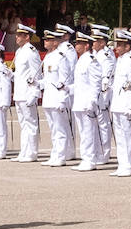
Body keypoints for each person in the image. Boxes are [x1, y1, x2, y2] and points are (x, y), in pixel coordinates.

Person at [41, 28, 75, 166]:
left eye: (48, 40)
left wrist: (62, 99)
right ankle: (55, 154)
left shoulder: (61, 57)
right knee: (53, 128)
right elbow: (47, 80)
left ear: (55, 42)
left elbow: (64, 80)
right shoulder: (48, 57)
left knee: (60, 128)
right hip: (48, 97)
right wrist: (36, 83)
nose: (45, 42)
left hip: (57, 98)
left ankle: (61, 156)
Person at [109, 31, 131, 175]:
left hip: (126, 104)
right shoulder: (120, 60)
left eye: (121, 45)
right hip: (117, 103)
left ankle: (130, 165)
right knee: (120, 137)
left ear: (128, 46)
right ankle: (122, 164)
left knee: (129, 137)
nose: (117, 47)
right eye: (117, 44)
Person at [71, 33, 103, 171]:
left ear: (86, 45)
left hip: (87, 102)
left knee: (89, 132)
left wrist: (92, 101)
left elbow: (96, 83)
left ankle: (90, 159)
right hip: (79, 101)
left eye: (79, 43)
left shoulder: (91, 60)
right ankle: (86, 158)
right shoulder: (81, 60)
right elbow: (80, 84)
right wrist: (67, 88)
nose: (76, 45)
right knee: (83, 132)